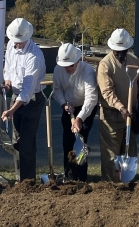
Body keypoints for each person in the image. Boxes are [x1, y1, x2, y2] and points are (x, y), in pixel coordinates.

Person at [96, 28, 139, 182]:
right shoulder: (105, 65)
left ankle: (128, 181)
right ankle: (111, 184)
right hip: (112, 115)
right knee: (111, 153)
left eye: (123, 50)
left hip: (131, 113)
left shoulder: (135, 62)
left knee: (130, 149)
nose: (120, 53)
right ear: (112, 48)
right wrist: (121, 107)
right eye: (117, 50)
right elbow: (107, 92)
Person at [0, 18, 46, 181]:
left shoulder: (34, 56)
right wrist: (7, 84)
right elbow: (9, 69)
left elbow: (27, 91)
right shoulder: (12, 47)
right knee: (16, 142)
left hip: (32, 100)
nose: (17, 44)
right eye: (14, 41)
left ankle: (28, 181)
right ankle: (20, 178)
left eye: (20, 42)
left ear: (28, 37)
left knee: (26, 143)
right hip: (15, 95)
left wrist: (12, 110)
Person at [52, 43, 98, 181]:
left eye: (70, 65)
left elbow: (91, 99)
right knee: (67, 141)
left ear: (77, 61)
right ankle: (69, 176)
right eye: (65, 66)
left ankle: (81, 177)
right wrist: (63, 104)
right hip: (68, 107)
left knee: (81, 139)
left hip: (86, 108)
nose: (67, 69)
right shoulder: (58, 70)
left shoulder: (88, 71)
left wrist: (79, 118)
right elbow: (57, 90)